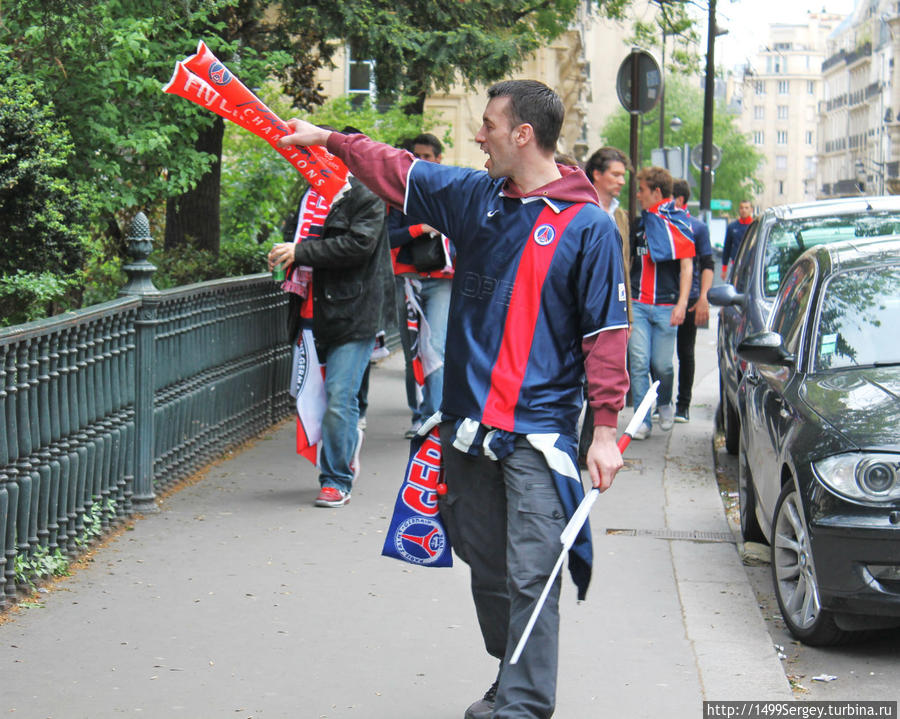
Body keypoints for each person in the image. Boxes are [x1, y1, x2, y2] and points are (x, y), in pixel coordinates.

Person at [276, 79, 629, 719]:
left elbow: (606, 334)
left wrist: (604, 429)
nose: (478, 135)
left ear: (522, 133)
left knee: (530, 571)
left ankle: (523, 705)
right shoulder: (477, 198)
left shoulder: (589, 228)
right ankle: (510, 671)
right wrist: (328, 138)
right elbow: (400, 169)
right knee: (486, 566)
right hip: (468, 427)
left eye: (488, 124)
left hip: (537, 436)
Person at [269, 171, 391, 508]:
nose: (310, 163)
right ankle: (346, 449)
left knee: (340, 397)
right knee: (315, 401)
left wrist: (301, 252)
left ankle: (336, 480)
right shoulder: (309, 196)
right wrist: (285, 254)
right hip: (310, 312)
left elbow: (358, 246)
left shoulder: (366, 195)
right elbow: (294, 240)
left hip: (354, 315)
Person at [388, 133, 454, 439]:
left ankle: (433, 417)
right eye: (416, 155)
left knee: (435, 348)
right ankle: (418, 416)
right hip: (408, 279)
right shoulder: (400, 194)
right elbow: (388, 236)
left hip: (441, 280)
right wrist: (418, 228)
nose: (421, 160)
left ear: (439, 159)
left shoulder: (451, 190)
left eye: (427, 156)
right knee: (413, 350)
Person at [628, 166, 694, 439]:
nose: (638, 195)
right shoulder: (639, 223)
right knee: (639, 362)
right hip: (638, 304)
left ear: (656, 191)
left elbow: (687, 266)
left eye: (642, 190)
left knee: (662, 365)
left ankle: (665, 403)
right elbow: (628, 259)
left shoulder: (678, 222)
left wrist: (682, 303)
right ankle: (642, 419)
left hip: (667, 305)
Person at [671, 179, 714, 423]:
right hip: (664, 298)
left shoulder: (697, 228)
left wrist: (704, 297)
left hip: (691, 298)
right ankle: (662, 403)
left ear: (679, 200)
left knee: (685, 351)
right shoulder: (661, 225)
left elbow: (707, 263)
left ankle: (683, 405)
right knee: (662, 356)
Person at [721, 199, 753, 279]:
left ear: (751, 210)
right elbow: (727, 248)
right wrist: (724, 269)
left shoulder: (755, 226)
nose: (744, 210)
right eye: (742, 208)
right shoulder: (732, 227)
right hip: (735, 265)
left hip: (752, 264)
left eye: (746, 208)